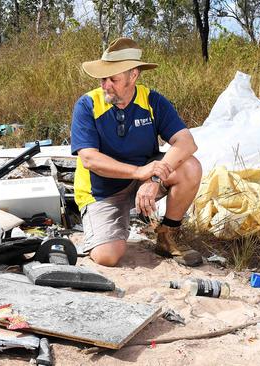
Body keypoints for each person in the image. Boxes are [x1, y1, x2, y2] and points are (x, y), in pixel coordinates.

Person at [70, 37, 203, 267]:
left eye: (113, 79)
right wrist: (139, 172)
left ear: (134, 76)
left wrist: (153, 177)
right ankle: (102, 227)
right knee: (107, 256)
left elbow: (186, 142)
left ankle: (166, 236)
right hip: (102, 190)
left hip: (143, 177)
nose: (105, 85)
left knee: (190, 166)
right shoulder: (87, 105)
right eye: (103, 78)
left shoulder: (151, 101)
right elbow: (89, 159)